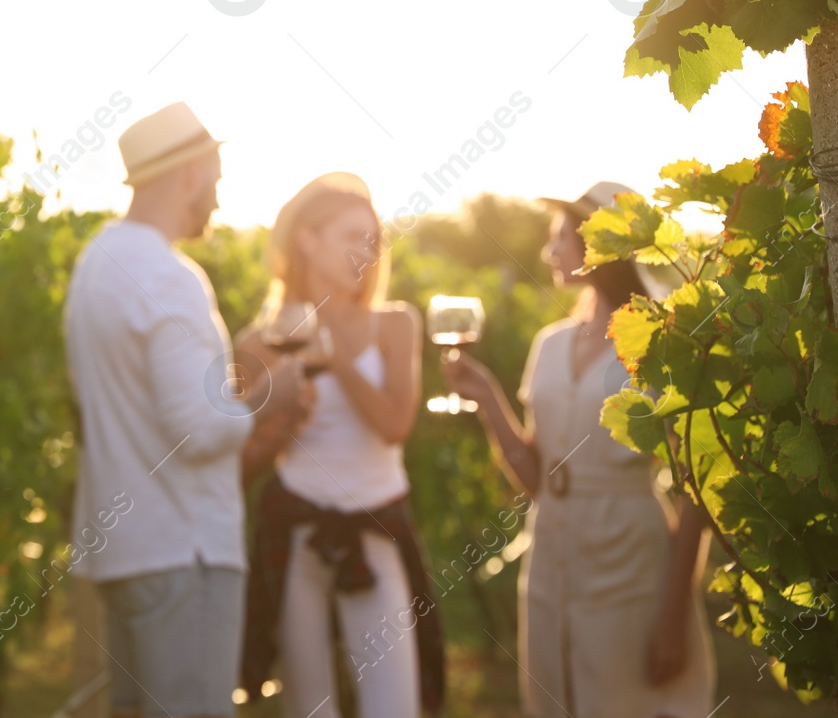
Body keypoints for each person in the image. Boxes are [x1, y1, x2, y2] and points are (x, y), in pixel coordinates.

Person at [65, 103, 313, 718]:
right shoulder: (171, 278)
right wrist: (268, 394)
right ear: (186, 176)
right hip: (185, 550)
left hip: (120, 550)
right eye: (217, 178)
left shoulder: (95, 264)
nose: (220, 200)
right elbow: (198, 432)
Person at [442, 181, 716, 718]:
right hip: (549, 555)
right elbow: (537, 479)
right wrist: (487, 399)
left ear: (603, 245)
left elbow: (695, 494)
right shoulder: (550, 344)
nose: (550, 252)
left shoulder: (661, 344)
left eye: (561, 237)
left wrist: (672, 617)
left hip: (628, 558)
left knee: (623, 702)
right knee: (553, 696)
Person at [238, 172, 444, 718]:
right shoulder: (257, 341)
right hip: (298, 533)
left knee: (393, 706)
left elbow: (395, 425)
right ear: (307, 238)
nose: (368, 251)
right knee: (310, 708)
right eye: (353, 236)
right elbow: (242, 463)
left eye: (373, 239)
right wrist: (281, 424)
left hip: (377, 532)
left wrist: (334, 356)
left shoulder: (396, 324)